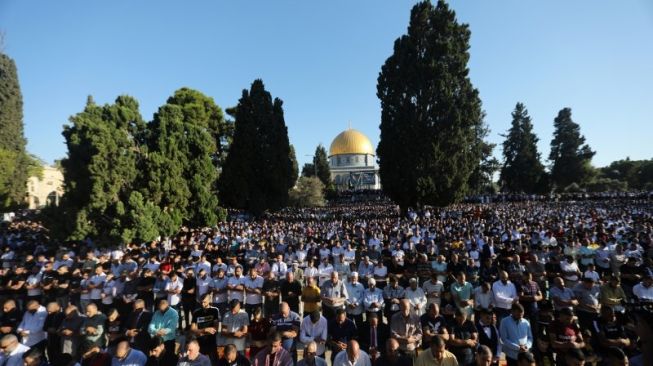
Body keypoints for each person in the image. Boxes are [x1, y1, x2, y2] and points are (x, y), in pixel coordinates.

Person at [190, 293, 220, 362]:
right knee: (200, 362)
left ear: (209, 301)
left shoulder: (214, 310)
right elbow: (192, 330)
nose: (202, 304)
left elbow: (215, 328)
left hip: (211, 342)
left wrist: (200, 332)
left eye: (204, 302)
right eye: (201, 302)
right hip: (200, 342)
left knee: (214, 362)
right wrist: (205, 330)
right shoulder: (196, 312)